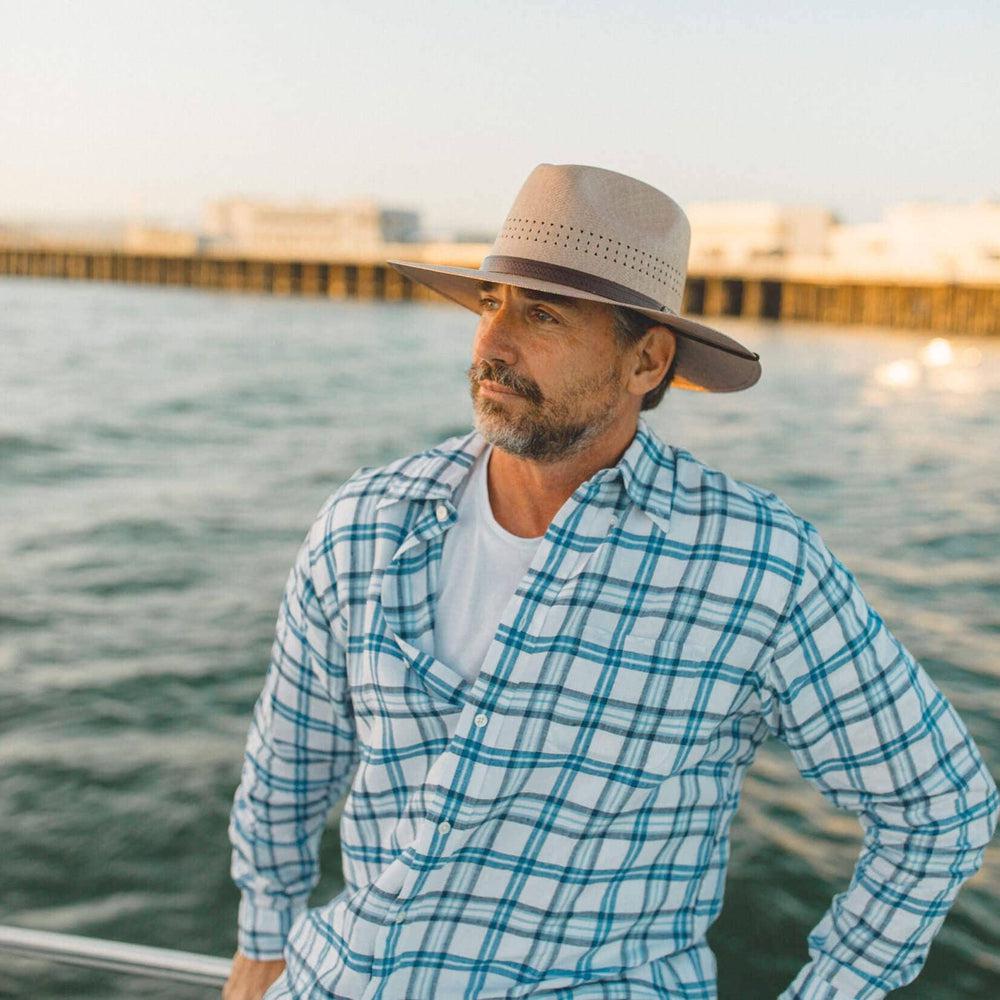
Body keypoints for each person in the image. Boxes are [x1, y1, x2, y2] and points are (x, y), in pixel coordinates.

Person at [223, 164, 998, 1000]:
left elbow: (939, 810)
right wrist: (263, 940)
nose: (492, 343)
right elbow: (292, 757)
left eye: (543, 313)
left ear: (647, 361)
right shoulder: (365, 522)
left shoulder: (757, 566)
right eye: (491, 304)